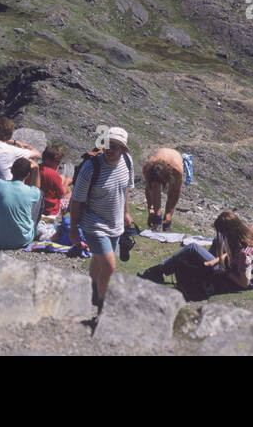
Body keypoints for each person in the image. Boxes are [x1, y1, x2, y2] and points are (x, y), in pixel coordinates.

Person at [69, 127, 135, 310]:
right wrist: (73, 228)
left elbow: (125, 189)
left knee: (99, 261)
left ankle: (89, 290)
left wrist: (126, 213)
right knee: (109, 266)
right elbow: (76, 199)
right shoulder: (91, 168)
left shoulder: (128, 162)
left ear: (123, 149)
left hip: (115, 224)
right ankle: (102, 303)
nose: (110, 149)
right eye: (107, 144)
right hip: (93, 224)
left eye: (115, 146)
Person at [141, 210, 253, 297]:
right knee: (217, 241)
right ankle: (206, 267)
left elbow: (245, 282)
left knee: (193, 248)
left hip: (240, 278)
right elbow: (240, 255)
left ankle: (158, 270)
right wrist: (216, 260)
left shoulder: (245, 254)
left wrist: (226, 272)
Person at [0, 157, 43, 250]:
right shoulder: (30, 191)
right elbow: (37, 188)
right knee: (39, 194)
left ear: (11, 170)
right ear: (28, 175)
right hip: (21, 240)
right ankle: (33, 231)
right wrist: (36, 169)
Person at [0, 117, 40, 196]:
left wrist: (15, 142)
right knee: (26, 162)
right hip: (0, 192)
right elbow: (37, 154)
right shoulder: (13, 151)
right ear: (10, 135)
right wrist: (24, 145)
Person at [142, 147, 184, 229]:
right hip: (158, 160)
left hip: (175, 159)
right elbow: (149, 188)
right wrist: (151, 210)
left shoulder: (176, 170)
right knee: (154, 186)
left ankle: (167, 219)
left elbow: (176, 191)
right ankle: (157, 219)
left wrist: (169, 213)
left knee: (172, 191)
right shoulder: (147, 168)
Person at [38, 145, 72, 218]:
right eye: (57, 162)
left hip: (38, 204)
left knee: (62, 177)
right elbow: (61, 194)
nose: (58, 164)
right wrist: (66, 185)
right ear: (48, 160)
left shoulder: (37, 168)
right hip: (50, 210)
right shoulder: (53, 174)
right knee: (69, 191)